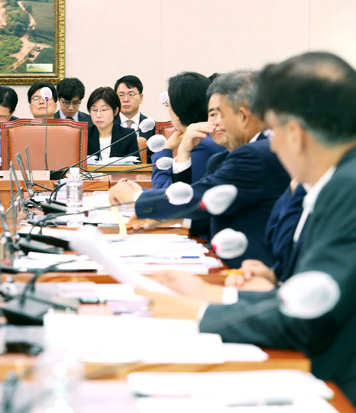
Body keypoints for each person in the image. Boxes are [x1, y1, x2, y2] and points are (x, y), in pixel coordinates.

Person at [137, 51, 356, 405]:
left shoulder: (347, 189)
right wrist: (264, 284)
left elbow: (307, 321)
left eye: (273, 130)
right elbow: (322, 294)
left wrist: (202, 310)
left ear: (296, 134)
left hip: (334, 388)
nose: (272, 142)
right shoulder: (337, 180)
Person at [109, 71, 290, 268]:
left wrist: (134, 199)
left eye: (219, 114)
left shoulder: (258, 153)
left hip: (246, 271)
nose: (213, 122)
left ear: (244, 116)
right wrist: (164, 218)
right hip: (225, 262)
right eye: (211, 114)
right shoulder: (223, 158)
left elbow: (198, 197)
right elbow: (204, 214)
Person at [152, 72, 226, 189]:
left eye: (168, 104)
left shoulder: (202, 143)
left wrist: (165, 149)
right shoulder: (209, 137)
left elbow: (163, 194)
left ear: (178, 112)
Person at [86, 87, 139, 161]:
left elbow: (135, 166)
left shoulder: (128, 136)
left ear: (115, 111)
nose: (98, 115)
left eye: (103, 110)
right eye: (94, 110)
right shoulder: (83, 135)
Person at [113, 75, 155, 161]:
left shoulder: (152, 127)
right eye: (121, 95)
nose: (125, 99)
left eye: (131, 94)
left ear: (141, 98)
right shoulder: (108, 125)